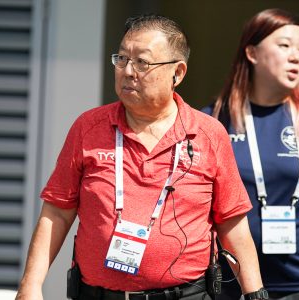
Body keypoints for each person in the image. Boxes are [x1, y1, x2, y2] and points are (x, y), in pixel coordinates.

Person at [16, 14, 267, 300]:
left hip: (185, 295)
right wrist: (30, 286)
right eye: (121, 59)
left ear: (178, 73)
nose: (128, 71)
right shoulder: (89, 127)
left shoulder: (208, 134)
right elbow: (57, 212)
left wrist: (255, 294)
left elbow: (231, 222)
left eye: (142, 62)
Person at [202, 8, 299, 300]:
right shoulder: (213, 121)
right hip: (228, 285)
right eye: (284, 45)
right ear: (252, 53)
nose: (296, 56)